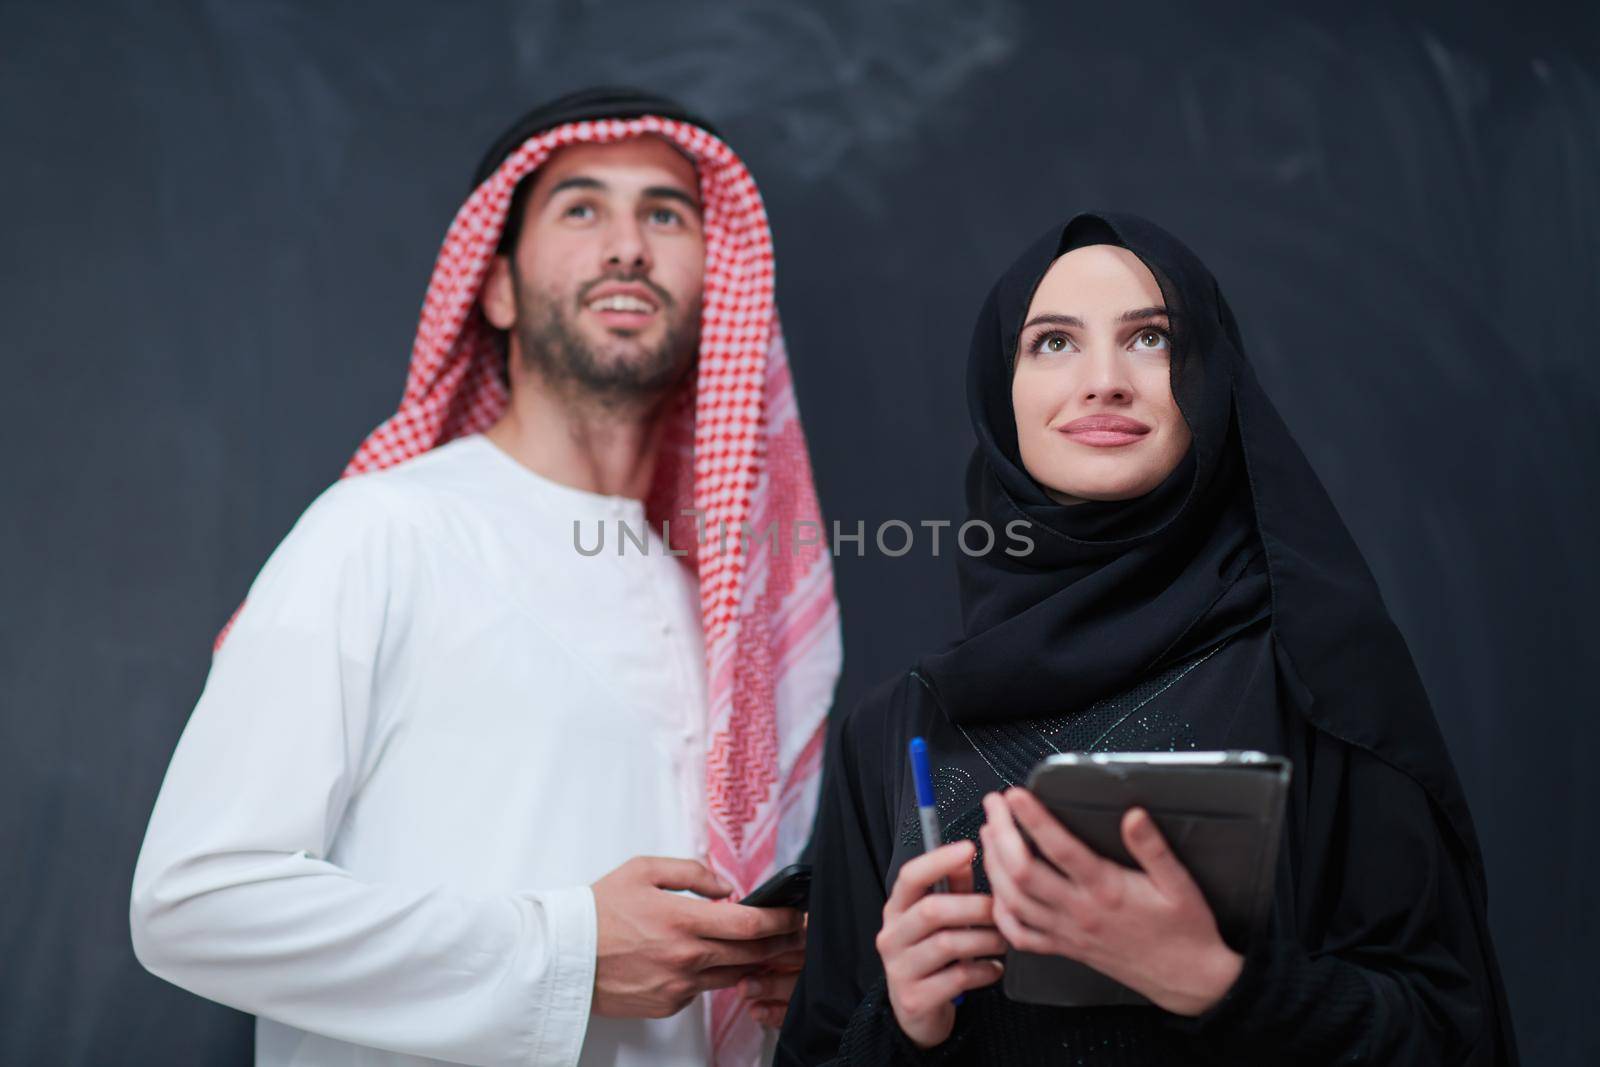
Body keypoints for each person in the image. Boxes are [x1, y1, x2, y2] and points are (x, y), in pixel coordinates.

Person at [130, 87, 842, 1067]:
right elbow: (192, 903)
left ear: (718, 287)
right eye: (581, 208)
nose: (627, 245)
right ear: (496, 287)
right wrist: (569, 950)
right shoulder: (386, 530)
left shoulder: (715, 616)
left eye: (666, 214)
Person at [777, 212, 1517, 1064]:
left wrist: (1220, 982)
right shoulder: (896, 728)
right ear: (998, 391)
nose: (1103, 381)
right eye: (1053, 342)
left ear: (1210, 381)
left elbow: (1454, 1036)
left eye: (1152, 340)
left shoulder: (1316, 674)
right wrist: (904, 1021)